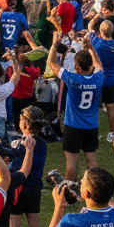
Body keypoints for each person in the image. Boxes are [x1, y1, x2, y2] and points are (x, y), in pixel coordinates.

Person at [48, 39, 105, 181]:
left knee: (72, 161)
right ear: (90, 65)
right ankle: (97, 189)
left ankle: (70, 191)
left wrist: (53, 45)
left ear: (77, 67)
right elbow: (99, 65)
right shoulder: (98, 79)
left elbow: (52, 64)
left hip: (73, 126)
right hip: (91, 126)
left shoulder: (72, 78)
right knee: (91, 160)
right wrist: (90, 46)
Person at [7, 106, 49, 227]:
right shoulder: (43, 144)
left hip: (18, 188)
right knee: (35, 226)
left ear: (24, 123)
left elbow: (13, 166)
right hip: (35, 189)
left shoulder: (18, 144)